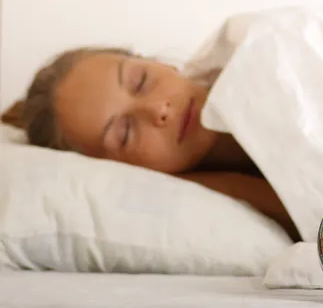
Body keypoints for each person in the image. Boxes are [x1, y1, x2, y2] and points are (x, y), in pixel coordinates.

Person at [20, 46, 301, 242]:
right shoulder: (202, 195)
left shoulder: (269, 62)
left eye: (141, 80)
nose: (158, 109)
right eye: (124, 133)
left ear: (160, 63)